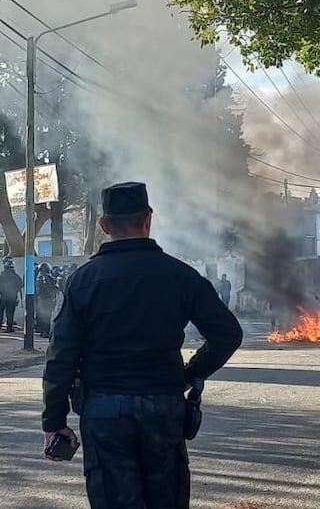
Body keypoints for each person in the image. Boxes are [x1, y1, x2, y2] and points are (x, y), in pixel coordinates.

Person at [41, 182, 243, 509]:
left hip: (103, 411)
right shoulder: (181, 276)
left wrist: (54, 422)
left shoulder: (83, 281)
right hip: (163, 407)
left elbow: (61, 356)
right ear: (148, 219)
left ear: (104, 224)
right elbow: (227, 334)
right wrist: (191, 374)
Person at [36, 263, 58, 340]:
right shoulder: (51, 278)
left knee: (42, 316)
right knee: (47, 316)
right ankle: (46, 332)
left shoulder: (39, 278)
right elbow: (56, 289)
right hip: (49, 300)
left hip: (41, 299)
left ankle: (43, 331)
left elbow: (37, 290)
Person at [0, 257, 22, 332]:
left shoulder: (1, 276)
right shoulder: (16, 276)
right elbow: (21, 285)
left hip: (3, 297)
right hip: (12, 298)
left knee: (1, 312)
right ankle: (9, 328)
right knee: (10, 313)